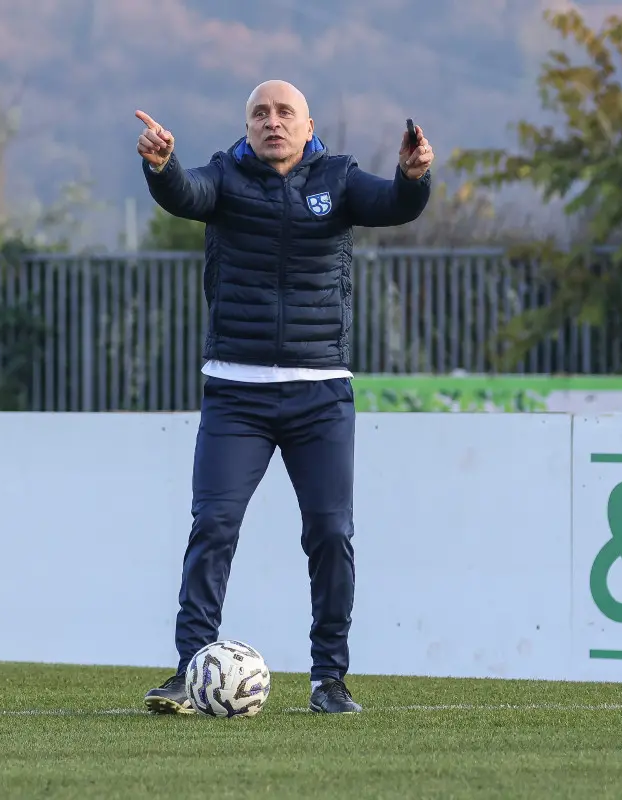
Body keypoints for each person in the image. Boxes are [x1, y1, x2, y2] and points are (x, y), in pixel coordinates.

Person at [136, 80, 434, 715]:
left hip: (320, 394)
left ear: (308, 125)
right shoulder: (224, 175)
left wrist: (412, 177)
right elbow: (185, 194)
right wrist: (161, 166)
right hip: (235, 394)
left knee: (330, 532)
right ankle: (191, 670)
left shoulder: (340, 178)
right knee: (213, 526)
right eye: (260, 113)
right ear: (247, 126)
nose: (272, 121)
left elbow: (393, 204)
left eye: (284, 112)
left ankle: (329, 679)